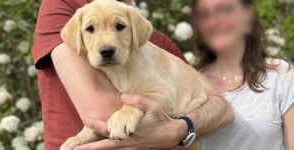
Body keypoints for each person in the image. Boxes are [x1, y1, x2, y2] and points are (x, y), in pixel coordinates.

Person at [76, 0, 294, 149]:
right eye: (204, 15)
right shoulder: (190, 79)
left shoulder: (282, 76)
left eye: (225, 10)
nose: (214, 22)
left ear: (247, 14)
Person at [32, 0, 235, 149]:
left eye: (119, 27)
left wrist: (180, 129)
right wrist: (180, 134)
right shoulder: (62, 6)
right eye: (91, 29)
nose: (106, 45)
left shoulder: (156, 41)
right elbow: (103, 117)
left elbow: (220, 108)